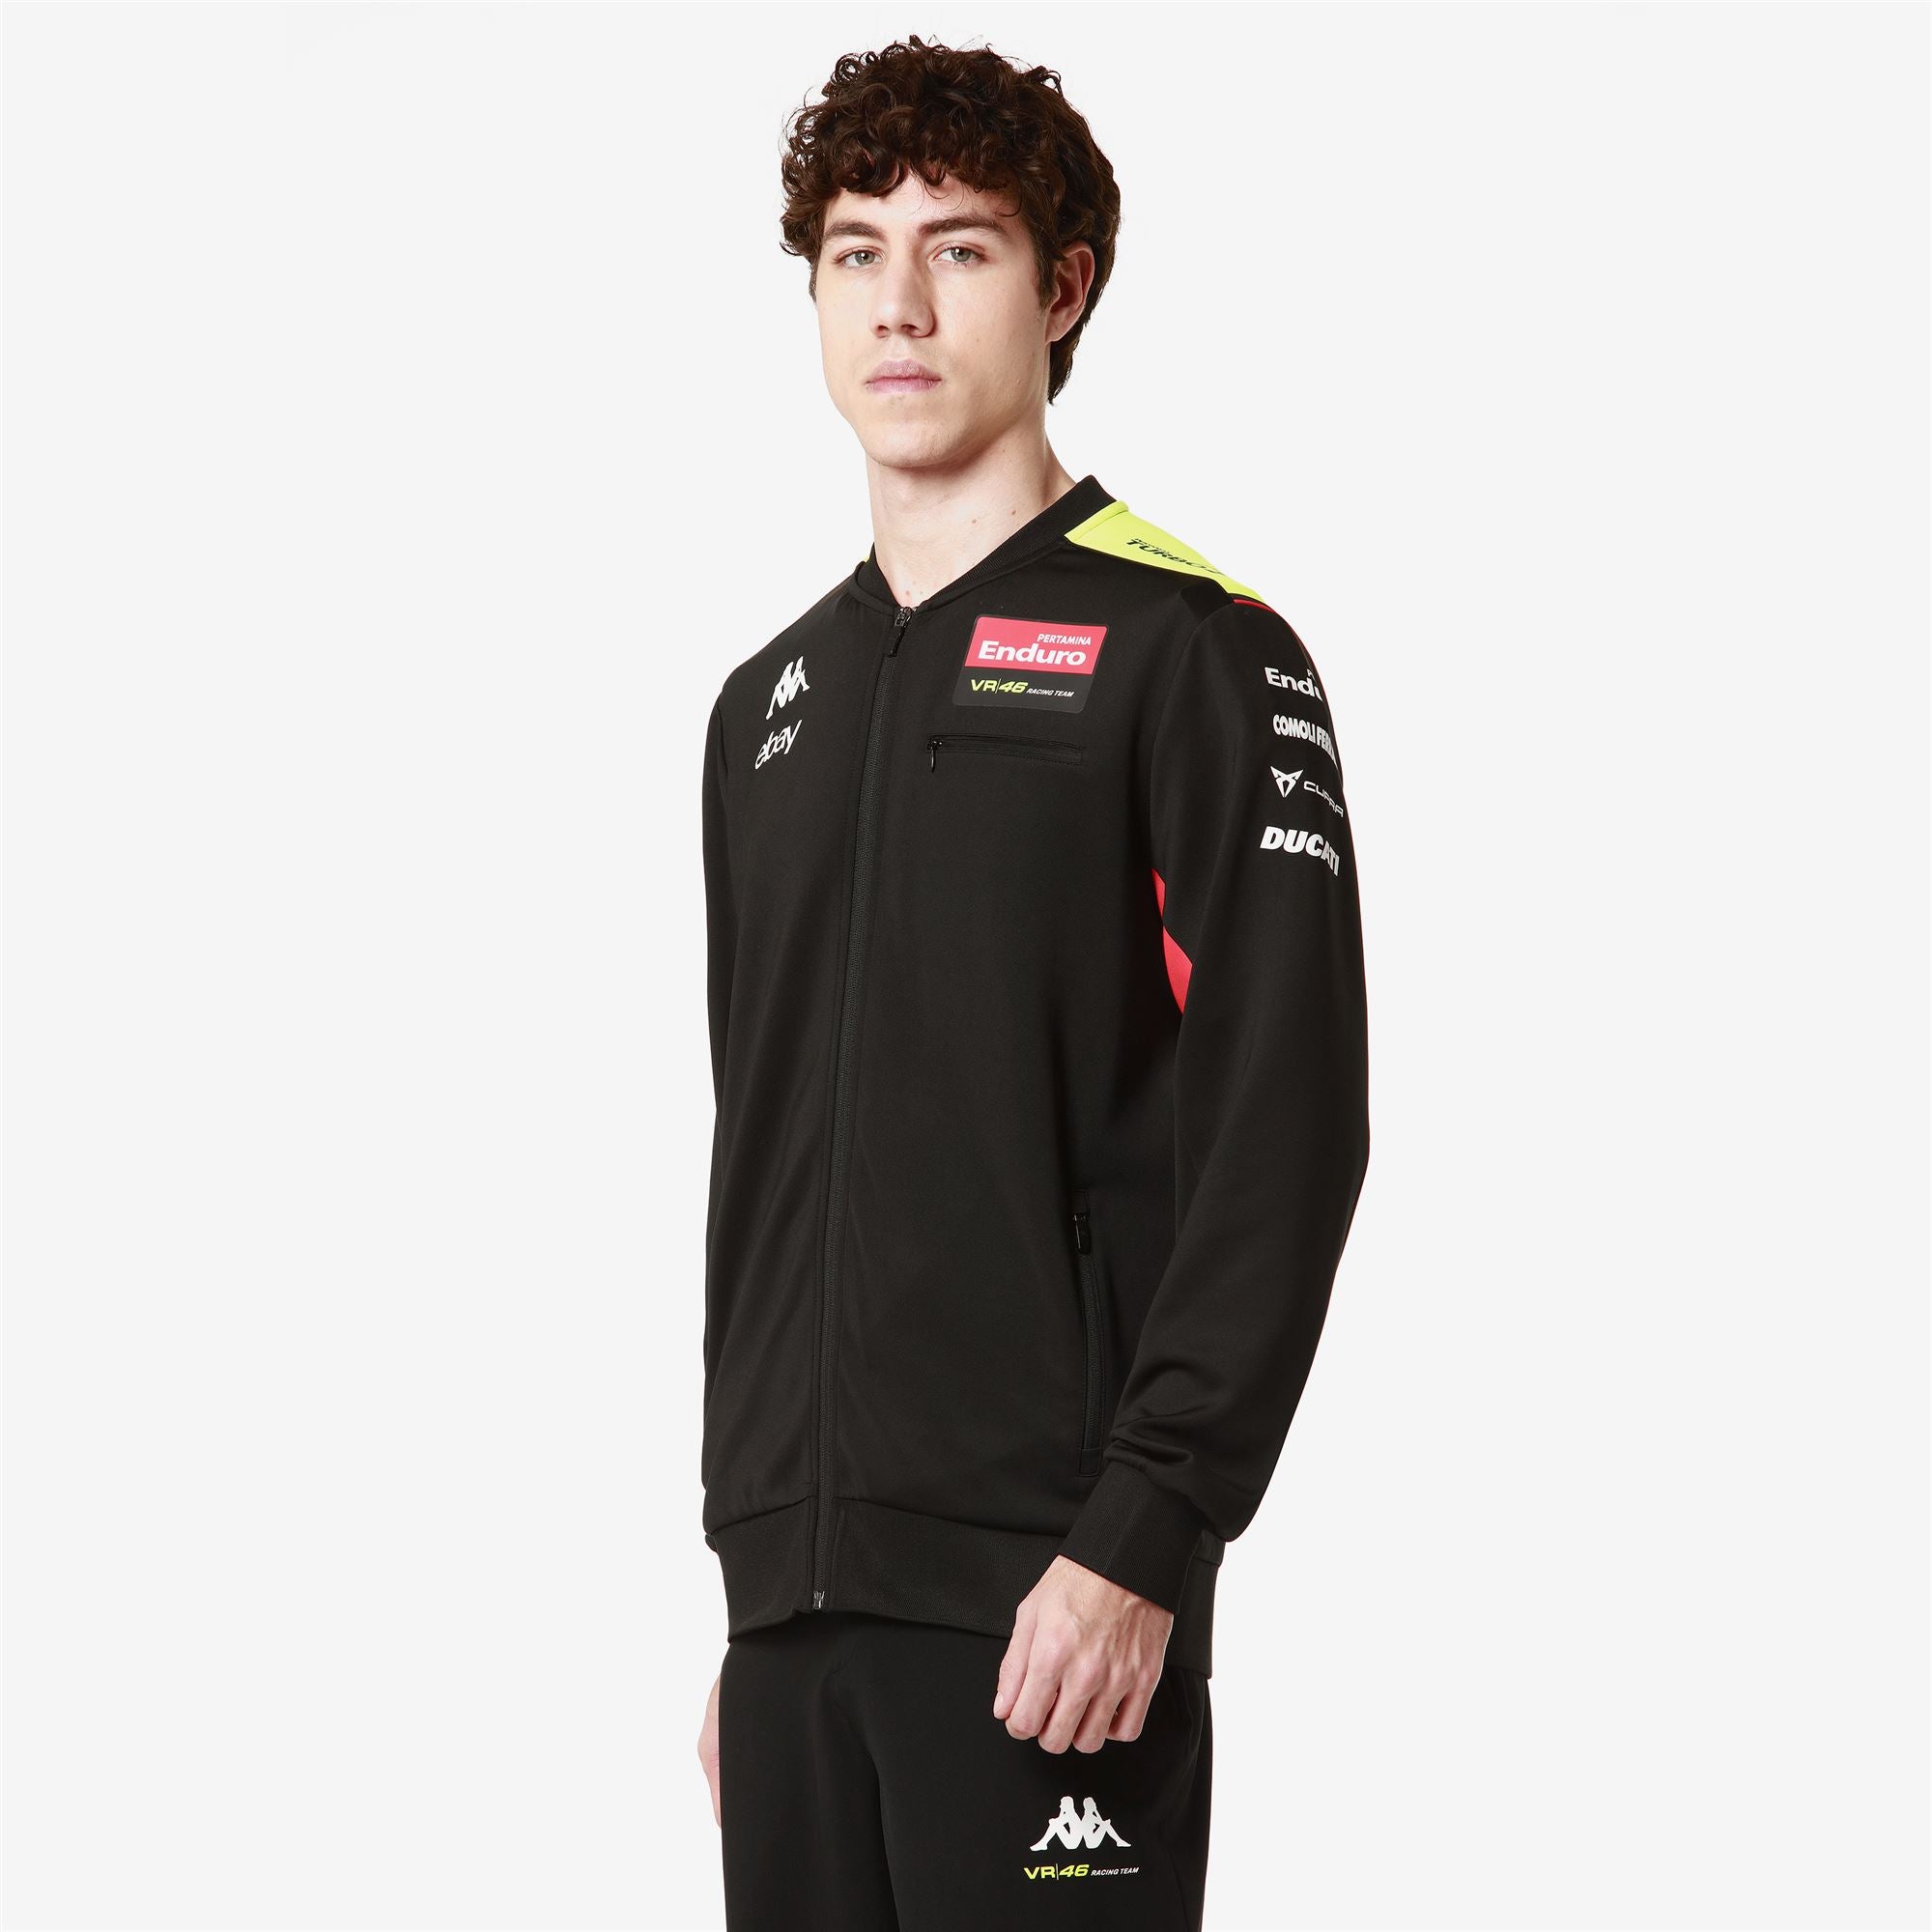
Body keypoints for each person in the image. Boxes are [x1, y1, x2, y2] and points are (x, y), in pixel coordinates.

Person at [693, 34, 1370, 1930]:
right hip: (798, 1619)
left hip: (1054, 1608)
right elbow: (769, 1157)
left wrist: (1147, 1532)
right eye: (854, 252)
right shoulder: (765, 710)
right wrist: (768, 1590)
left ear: (1062, 288)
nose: (896, 306)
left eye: (960, 249)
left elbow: (1289, 1124)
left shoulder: (1193, 648)